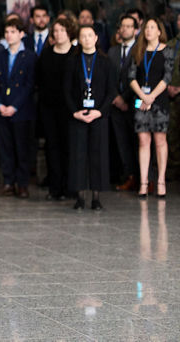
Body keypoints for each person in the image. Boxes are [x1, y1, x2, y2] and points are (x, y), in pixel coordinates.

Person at [67, 24, 116, 211]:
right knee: (78, 155)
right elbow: (67, 90)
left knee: (99, 155)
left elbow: (111, 91)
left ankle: (96, 197)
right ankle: (79, 196)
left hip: (99, 115)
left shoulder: (106, 61)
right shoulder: (72, 61)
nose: (86, 39)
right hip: (78, 114)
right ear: (79, 39)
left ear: (96, 38)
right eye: (83, 36)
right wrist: (74, 111)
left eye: (90, 35)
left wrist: (100, 111)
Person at [0, 18, 37, 198]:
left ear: (21, 34)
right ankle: (8, 182)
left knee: (22, 148)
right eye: (7, 32)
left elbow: (29, 85)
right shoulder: (0, 56)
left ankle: (22, 183)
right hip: (2, 109)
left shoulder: (30, 57)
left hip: (21, 111)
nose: (9, 36)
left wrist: (15, 106)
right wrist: (0, 104)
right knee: (5, 147)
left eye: (13, 32)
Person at [129, 17, 171, 198]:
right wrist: (143, 96)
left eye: (152, 28)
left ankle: (161, 180)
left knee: (160, 141)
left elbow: (167, 77)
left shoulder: (166, 51)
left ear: (159, 32)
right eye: (146, 28)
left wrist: (151, 96)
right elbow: (131, 77)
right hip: (141, 101)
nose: (148, 31)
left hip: (159, 101)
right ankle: (144, 182)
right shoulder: (137, 50)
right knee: (143, 141)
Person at [38, 15, 76, 201]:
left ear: (70, 33)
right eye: (56, 31)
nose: (59, 34)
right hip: (49, 108)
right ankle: (55, 187)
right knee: (52, 147)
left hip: (70, 109)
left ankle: (70, 186)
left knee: (69, 146)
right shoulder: (46, 54)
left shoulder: (76, 55)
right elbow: (40, 81)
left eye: (63, 30)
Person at [107, 14, 139, 191]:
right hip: (115, 104)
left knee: (137, 140)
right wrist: (116, 97)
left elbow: (139, 78)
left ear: (135, 30)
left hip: (133, 102)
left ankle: (142, 177)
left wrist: (125, 98)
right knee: (122, 142)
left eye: (129, 26)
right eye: (123, 26)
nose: (125, 29)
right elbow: (108, 78)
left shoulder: (139, 51)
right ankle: (129, 176)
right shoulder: (112, 51)